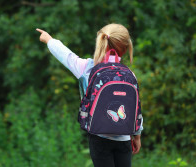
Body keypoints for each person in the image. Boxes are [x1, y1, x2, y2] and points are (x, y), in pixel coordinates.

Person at [36, 23, 143, 167]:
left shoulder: (86, 68)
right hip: (123, 137)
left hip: (99, 137)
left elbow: (66, 56)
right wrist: (137, 134)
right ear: (125, 49)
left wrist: (49, 40)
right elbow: (135, 106)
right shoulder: (130, 75)